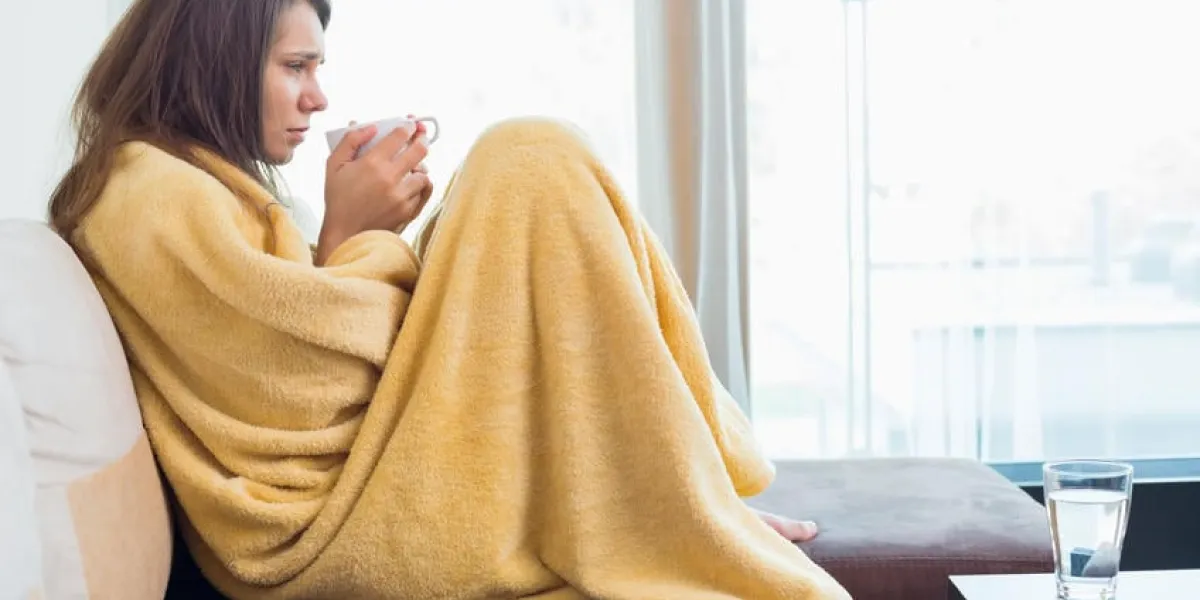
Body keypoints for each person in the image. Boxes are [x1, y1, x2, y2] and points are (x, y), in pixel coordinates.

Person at [49, 1, 850, 598]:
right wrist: (357, 233)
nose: (318, 98)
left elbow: (297, 342)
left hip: (367, 485)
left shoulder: (189, 187)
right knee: (527, 157)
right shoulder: (146, 194)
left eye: (318, 69)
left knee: (528, 164)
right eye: (296, 67)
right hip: (324, 535)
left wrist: (364, 237)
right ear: (214, 59)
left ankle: (680, 493)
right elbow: (307, 395)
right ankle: (681, 499)